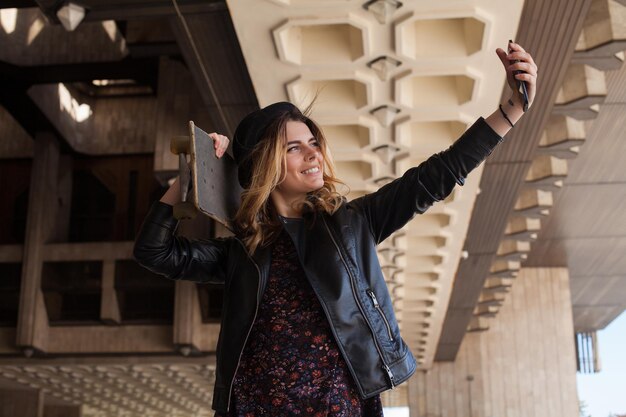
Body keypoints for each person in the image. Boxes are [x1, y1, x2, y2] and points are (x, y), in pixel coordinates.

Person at [133, 42, 537, 416]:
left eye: (312, 142)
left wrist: (510, 111)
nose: (313, 153)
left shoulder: (352, 225)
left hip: (336, 406)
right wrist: (192, 171)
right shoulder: (243, 251)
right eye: (294, 147)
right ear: (265, 164)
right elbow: (154, 252)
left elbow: (435, 176)